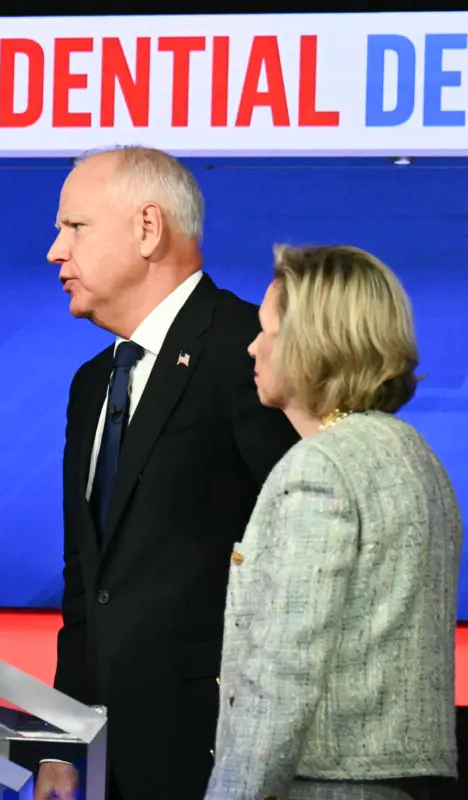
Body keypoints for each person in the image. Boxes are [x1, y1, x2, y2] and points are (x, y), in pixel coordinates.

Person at [29, 146, 299, 800]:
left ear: (148, 229)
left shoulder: (249, 352)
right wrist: (64, 740)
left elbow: (298, 561)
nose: (54, 252)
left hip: (220, 760)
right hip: (104, 766)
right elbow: (86, 582)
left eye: (75, 228)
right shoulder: (93, 383)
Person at [206, 244, 461, 799]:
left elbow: (284, 668)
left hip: (324, 785)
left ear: (309, 342)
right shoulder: (416, 455)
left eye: (265, 329)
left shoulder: (321, 465)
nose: (252, 346)